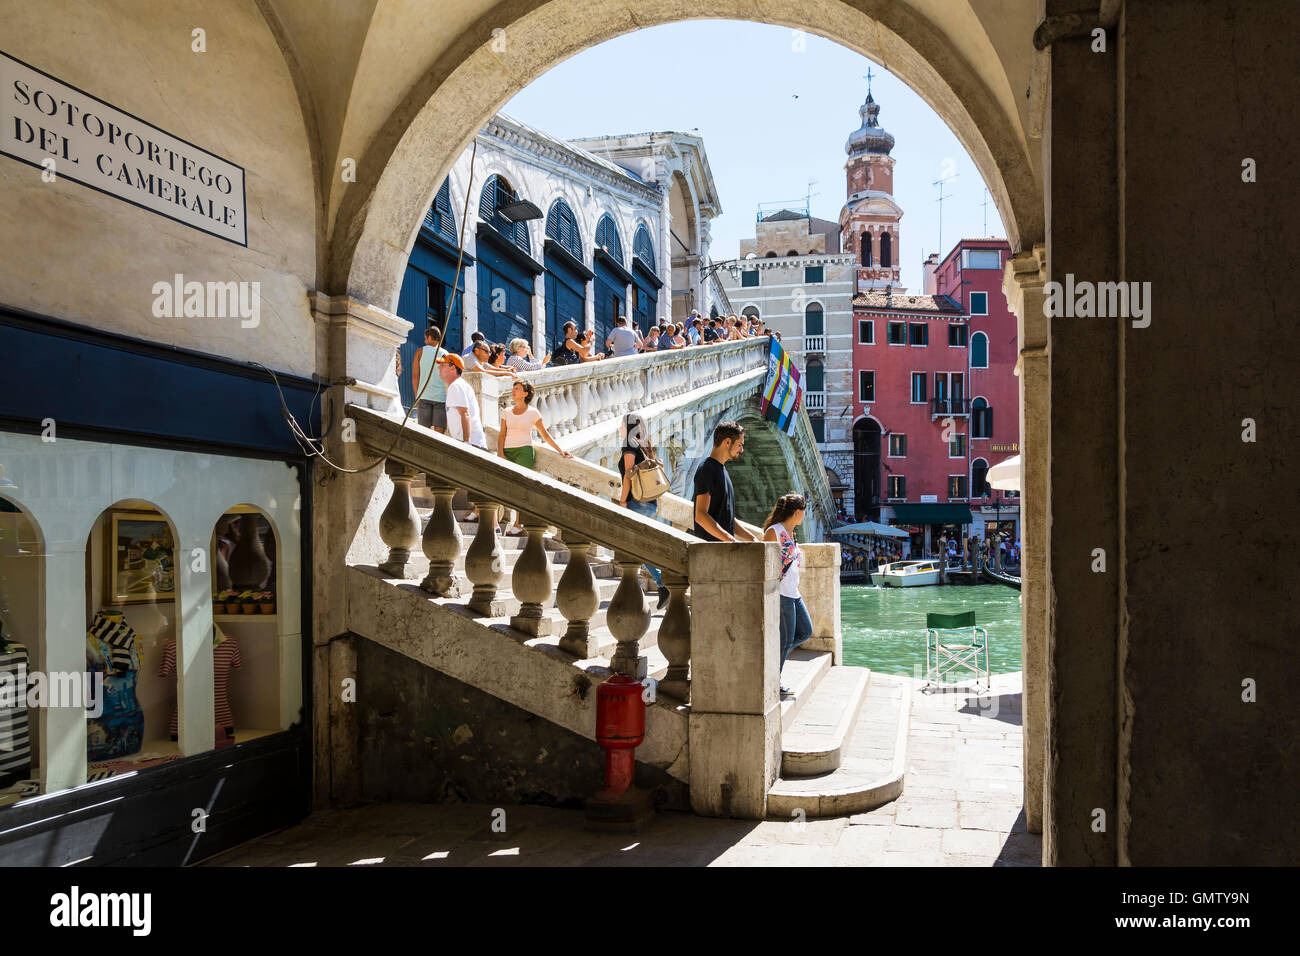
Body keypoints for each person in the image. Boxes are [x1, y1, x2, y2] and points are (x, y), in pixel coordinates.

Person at [499, 380, 573, 534]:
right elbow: (502, 435)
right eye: (513, 388)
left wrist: (560, 450)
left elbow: (544, 434)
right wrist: (500, 453)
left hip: (524, 452)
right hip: (507, 452)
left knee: (520, 488)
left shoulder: (533, 413)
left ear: (525, 394)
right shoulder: (507, 411)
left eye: (517, 389)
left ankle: (518, 524)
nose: (513, 391)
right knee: (503, 486)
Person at [618, 411, 670, 609]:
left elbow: (628, 476)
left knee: (632, 547)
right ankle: (648, 586)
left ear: (628, 426)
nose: (619, 427)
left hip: (636, 503)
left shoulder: (629, 444)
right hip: (650, 503)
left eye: (622, 424)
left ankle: (648, 585)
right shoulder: (644, 444)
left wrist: (623, 501)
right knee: (637, 546)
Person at [763, 493, 811, 698]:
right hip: (782, 593)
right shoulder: (775, 532)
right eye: (803, 513)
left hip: (794, 593)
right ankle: (774, 680)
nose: (804, 517)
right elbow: (763, 561)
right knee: (786, 638)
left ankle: (770, 659)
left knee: (805, 631)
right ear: (798, 512)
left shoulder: (792, 533)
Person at [692, 420, 758, 542]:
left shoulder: (723, 471)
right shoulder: (707, 469)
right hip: (711, 552)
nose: (742, 450)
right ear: (727, 442)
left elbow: (728, 518)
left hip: (724, 552)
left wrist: (752, 538)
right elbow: (701, 515)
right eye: (739, 445)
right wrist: (730, 540)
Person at [438, 353, 487, 450]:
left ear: (453, 368)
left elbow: (465, 414)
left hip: (471, 445)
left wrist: (466, 443)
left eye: (442, 365)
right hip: (472, 443)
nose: (439, 368)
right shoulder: (458, 385)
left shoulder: (456, 386)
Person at [411, 324, 449, 433]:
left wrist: (416, 396)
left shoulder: (420, 351)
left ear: (430, 337)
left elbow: (415, 376)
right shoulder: (446, 354)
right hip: (441, 398)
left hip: (424, 397)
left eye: (425, 338)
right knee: (440, 434)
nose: (424, 341)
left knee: (424, 433)